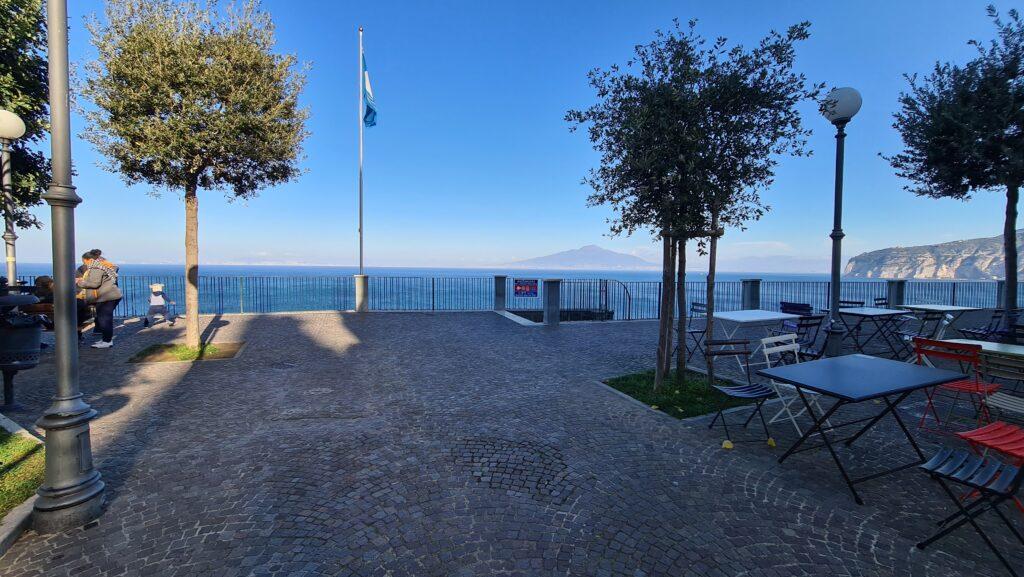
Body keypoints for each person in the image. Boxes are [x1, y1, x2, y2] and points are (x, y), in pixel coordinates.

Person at [76, 249, 122, 348]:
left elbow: (94, 284)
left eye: (84, 261)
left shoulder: (96, 268)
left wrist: (79, 282)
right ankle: (105, 339)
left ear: (89, 260)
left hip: (106, 297)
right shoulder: (104, 266)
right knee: (104, 319)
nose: (84, 264)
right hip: (110, 296)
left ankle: (107, 341)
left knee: (105, 319)